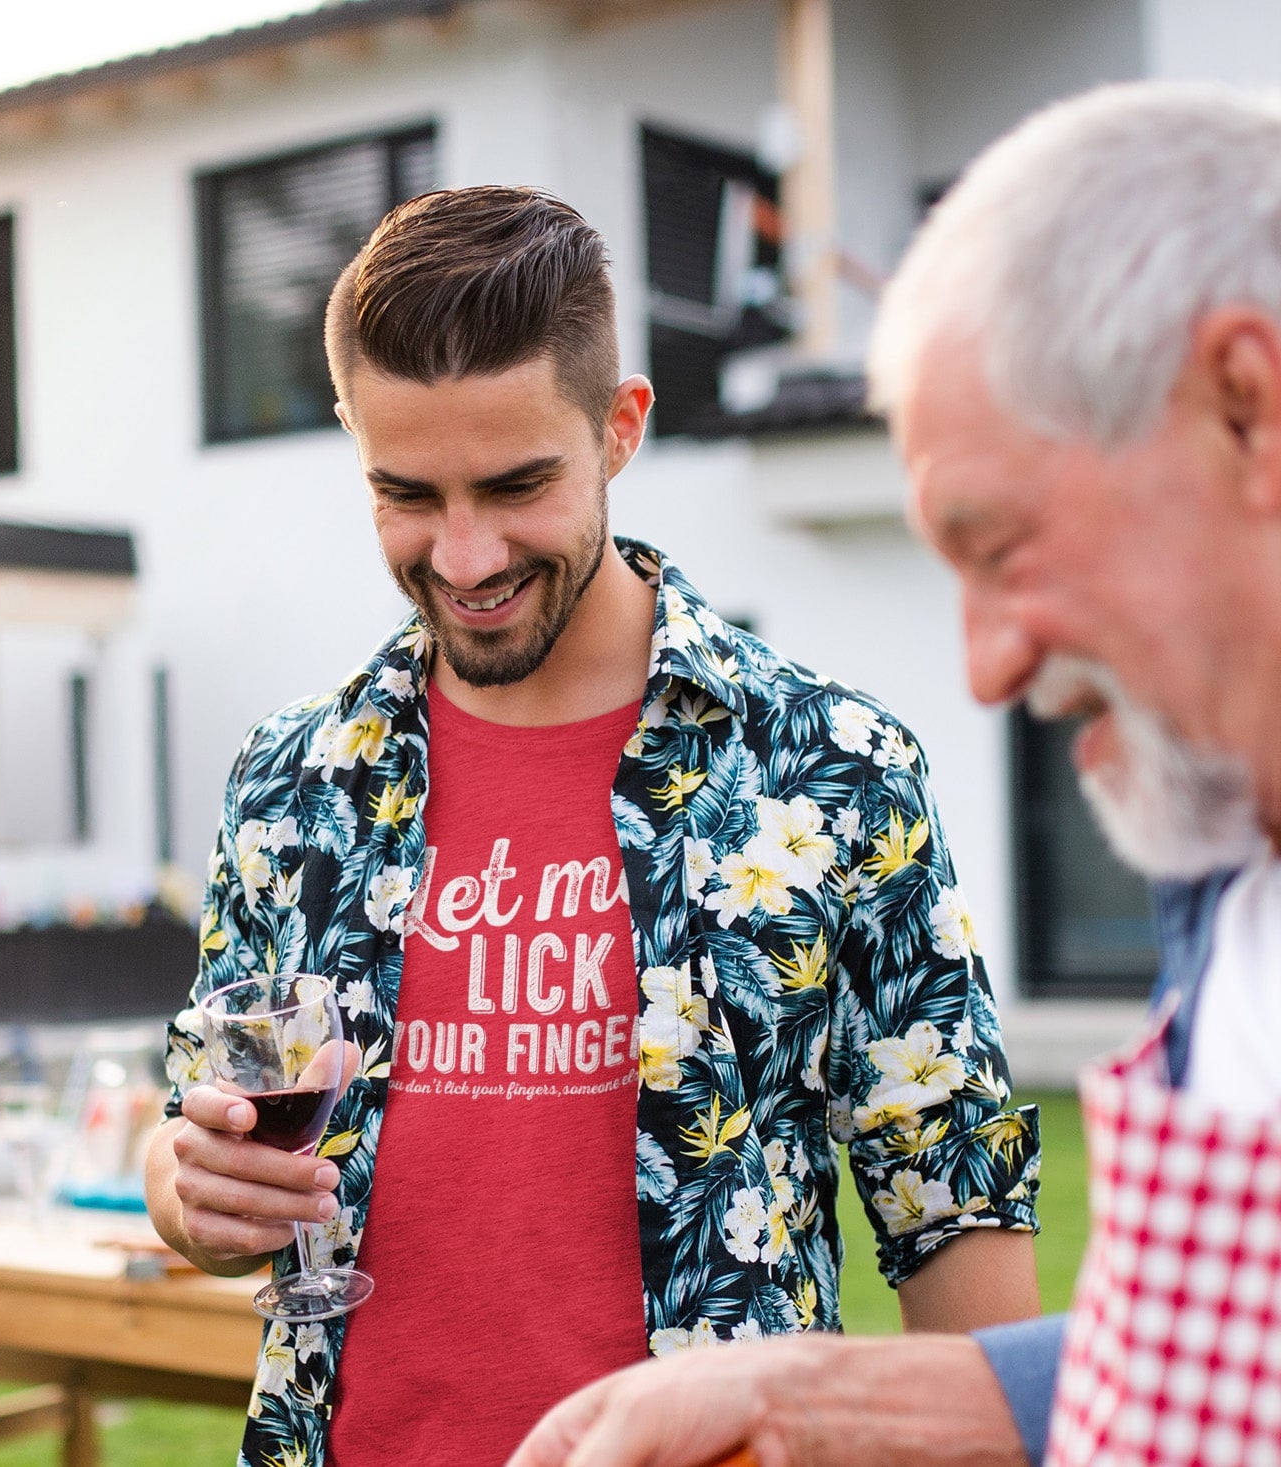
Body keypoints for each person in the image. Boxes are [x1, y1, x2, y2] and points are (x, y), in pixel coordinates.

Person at [145, 185, 1040, 1467]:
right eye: (406, 492)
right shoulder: (295, 778)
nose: (463, 556)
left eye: (517, 486)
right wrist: (188, 1193)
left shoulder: (832, 767)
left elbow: (957, 1216)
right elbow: (200, 1119)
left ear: (620, 430)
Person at [507, 80, 1281, 1467]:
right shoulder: (1230, 861)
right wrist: (812, 1398)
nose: (985, 667)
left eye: (1002, 544)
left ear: (1249, 404)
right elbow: (1234, 1353)